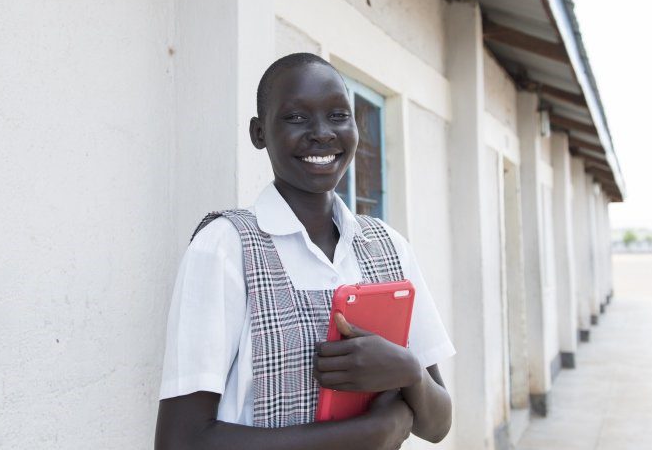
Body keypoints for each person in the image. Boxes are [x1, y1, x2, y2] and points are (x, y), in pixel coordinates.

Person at [155, 53, 454, 449]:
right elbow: (180, 441)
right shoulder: (226, 248)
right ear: (259, 134)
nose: (322, 133)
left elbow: (437, 426)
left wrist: (410, 371)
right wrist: (370, 433)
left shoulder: (388, 247)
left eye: (338, 115)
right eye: (296, 118)